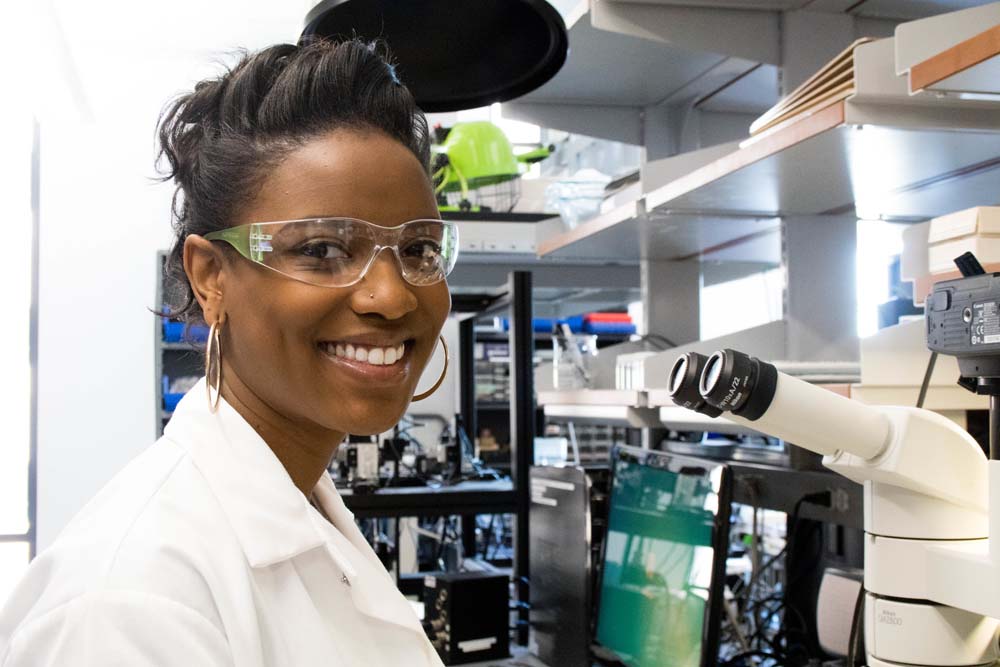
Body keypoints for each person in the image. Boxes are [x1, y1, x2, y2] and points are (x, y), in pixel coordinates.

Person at [0, 38, 457, 666]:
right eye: (322, 250)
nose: (392, 296)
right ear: (210, 276)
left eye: (419, 251)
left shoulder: (305, 508)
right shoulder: (132, 602)